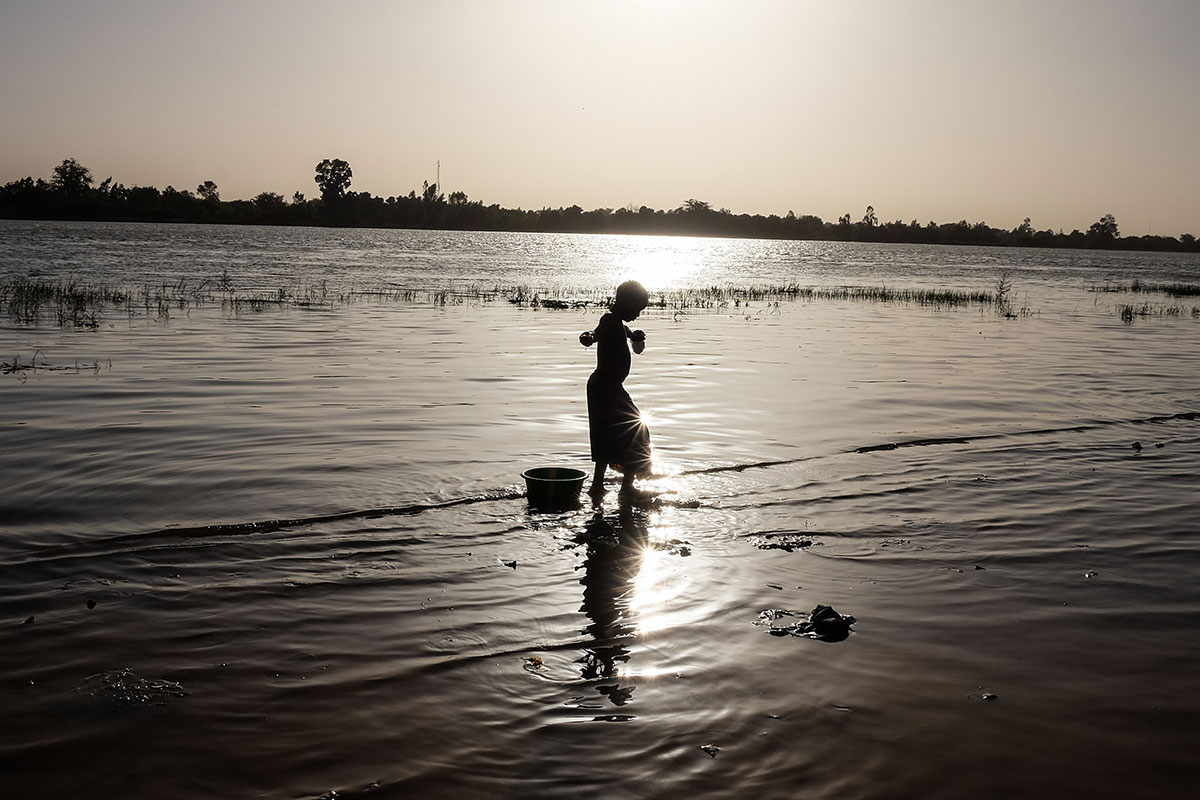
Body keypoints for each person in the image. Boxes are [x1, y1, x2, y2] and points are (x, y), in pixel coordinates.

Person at [579, 280, 652, 500]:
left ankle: (599, 486)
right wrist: (589, 337)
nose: (637, 315)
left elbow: (628, 333)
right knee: (636, 429)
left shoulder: (620, 324)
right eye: (637, 310)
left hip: (609, 387)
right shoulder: (610, 320)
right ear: (625, 304)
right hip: (604, 387)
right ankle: (625, 487)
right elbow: (597, 332)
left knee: (610, 434)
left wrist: (635, 336)